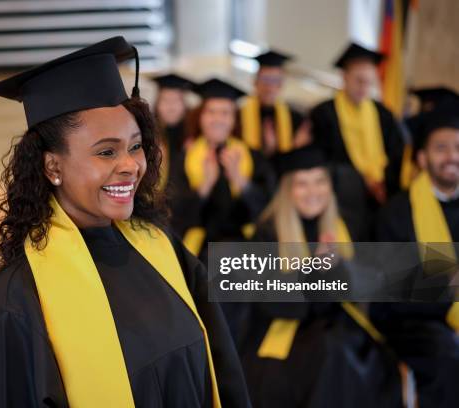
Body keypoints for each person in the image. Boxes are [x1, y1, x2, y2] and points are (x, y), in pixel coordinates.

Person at [0, 36, 251, 408]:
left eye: (135, 146)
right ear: (52, 166)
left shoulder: (161, 247)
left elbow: (223, 368)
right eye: (106, 151)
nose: (130, 165)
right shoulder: (16, 300)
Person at [223, 146, 403, 408]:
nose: (313, 192)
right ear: (287, 190)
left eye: (320, 182)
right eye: (302, 184)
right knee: (330, 353)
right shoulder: (267, 232)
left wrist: (335, 270)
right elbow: (271, 301)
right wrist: (315, 270)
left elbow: (348, 292)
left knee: (370, 356)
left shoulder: (339, 227)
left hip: (331, 326)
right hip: (283, 330)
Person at [375, 104, 459, 408]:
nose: (452, 156)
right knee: (446, 353)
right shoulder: (397, 212)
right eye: (441, 148)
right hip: (416, 322)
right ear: (422, 158)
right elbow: (389, 293)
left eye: (458, 147)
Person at [170, 78, 274, 260]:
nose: (218, 119)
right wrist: (205, 186)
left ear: (234, 119)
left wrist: (240, 180)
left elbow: (268, 208)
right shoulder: (185, 158)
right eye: (211, 112)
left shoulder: (252, 156)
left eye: (225, 113)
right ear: (201, 117)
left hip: (245, 247)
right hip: (200, 251)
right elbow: (175, 213)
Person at [310, 43, 404, 235]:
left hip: (380, 198)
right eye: (358, 80)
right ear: (344, 77)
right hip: (343, 202)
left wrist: (383, 181)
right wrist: (361, 181)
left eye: (369, 82)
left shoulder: (383, 114)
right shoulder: (323, 114)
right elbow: (322, 161)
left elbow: (396, 153)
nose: (364, 87)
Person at [241, 50, 309, 158]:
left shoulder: (295, 118)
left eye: (275, 80)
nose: (270, 87)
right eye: (265, 79)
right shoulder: (238, 116)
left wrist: (296, 147)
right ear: (255, 82)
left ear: (282, 84)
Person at [150, 73, 195, 191]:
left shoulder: (194, 136)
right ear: (157, 104)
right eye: (165, 100)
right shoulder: (148, 136)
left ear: (184, 105)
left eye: (176, 100)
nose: (171, 107)